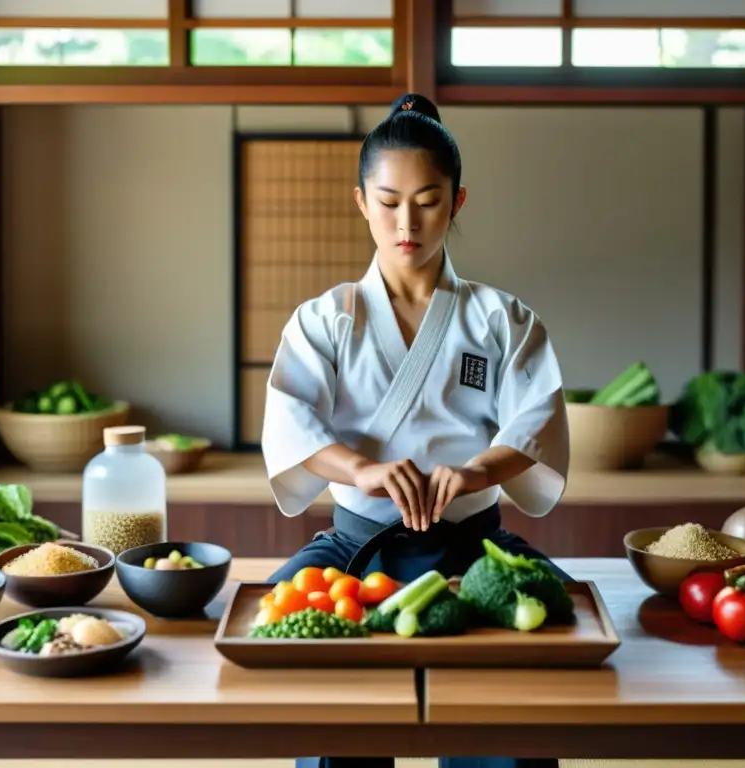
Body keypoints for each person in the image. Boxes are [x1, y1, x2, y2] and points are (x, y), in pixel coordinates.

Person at [261, 93, 570, 768]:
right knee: (304, 684)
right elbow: (292, 418)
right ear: (361, 201)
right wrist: (362, 471)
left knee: (532, 696)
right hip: (357, 549)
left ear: (457, 201)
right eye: (389, 200)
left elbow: (538, 415)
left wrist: (479, 470)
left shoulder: (501, 318)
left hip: (476, 549)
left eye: (428, 199)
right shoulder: (325, 320)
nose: (408, 221)